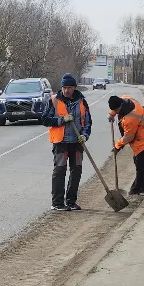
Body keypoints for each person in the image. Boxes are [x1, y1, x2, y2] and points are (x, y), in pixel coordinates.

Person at [41, 73, 92, 211]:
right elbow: (44, 119)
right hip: (61, 142)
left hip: (77, 143)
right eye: (64, 87)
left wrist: (85, 135)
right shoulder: (54, 101)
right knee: (60, 170)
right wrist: (61, 120)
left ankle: (71, 201)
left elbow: (88, 122)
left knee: (76, 171)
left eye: (69, 87)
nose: (66, 90)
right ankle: (57, 203)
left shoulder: (82, 101)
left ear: (74, 88)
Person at [108, 95, 144, 195]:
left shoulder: (131, 118)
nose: (116, 112)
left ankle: (135, 190)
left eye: (117, 110)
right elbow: (118, 102)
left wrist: (117, 146)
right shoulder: (126, 99)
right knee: (138, 162)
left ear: (121, 105)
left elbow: (128, 137)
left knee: (140, 164)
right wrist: (112, 113)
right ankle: (143, 186)